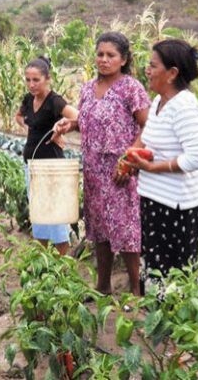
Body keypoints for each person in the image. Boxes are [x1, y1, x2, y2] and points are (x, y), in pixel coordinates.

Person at [53, 32, 150, 296]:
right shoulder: (87, 88)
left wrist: (129, 160)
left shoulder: (131, 87)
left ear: (123, 59)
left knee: (128, 230)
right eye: (100, 54)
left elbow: (147, 125)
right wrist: (69, 124)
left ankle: (136, 291)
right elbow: (85, 123)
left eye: (111, 55)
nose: (104, 60)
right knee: (99, 230)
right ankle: (102, 286)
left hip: (121, 171)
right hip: (94, 169)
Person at [121, 39, 198, 295]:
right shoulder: (159, 101)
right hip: (154, 199)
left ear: (172, 73)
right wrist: (131, 160)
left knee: (174, 276)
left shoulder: (185, 106)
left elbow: (197, 158)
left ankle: (173, 327)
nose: (147, 70)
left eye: (152, 65)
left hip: (176, 206)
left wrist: (151, 167)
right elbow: (147, 136)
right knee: (156, 269)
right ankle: (158, 322)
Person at [14, 56, 79, 256]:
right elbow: (18, 116)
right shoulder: (28, 99)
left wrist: (60, 131)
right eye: (28, 80)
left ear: (47, 79)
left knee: (56, 215)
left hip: (51, 166)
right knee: (39, 215)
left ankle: (62, 263)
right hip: (31, 165)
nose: (31, 84)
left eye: (36, 80)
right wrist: (31, 128)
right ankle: (42, 260)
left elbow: (77, 116)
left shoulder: (54, 101)